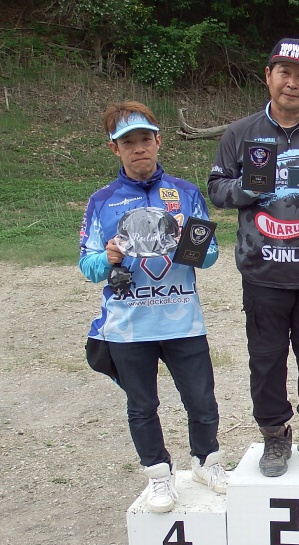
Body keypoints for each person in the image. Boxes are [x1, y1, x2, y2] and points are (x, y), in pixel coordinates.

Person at [207, 38, 299, 477]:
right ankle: (274, 434)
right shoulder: (240, 133)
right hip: (262, 270)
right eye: (285, 73)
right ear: (268, 76)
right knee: (266, 359)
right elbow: (216, 189)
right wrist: (247, 189)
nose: (293, 83)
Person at [80, 101, 227, 513]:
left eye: (145, 139)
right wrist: (106, 259)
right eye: (129, 142)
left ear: (159, 141)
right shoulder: (102, 201)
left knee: (202, 400)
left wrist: (189, 245)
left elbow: (211, 254)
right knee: (142, 406)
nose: (139, 148)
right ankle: (158, 475)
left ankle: (206, 461)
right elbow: (87, 265)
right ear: (115, 149)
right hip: (129, 326)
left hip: (183, 319)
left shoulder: (185, 193)